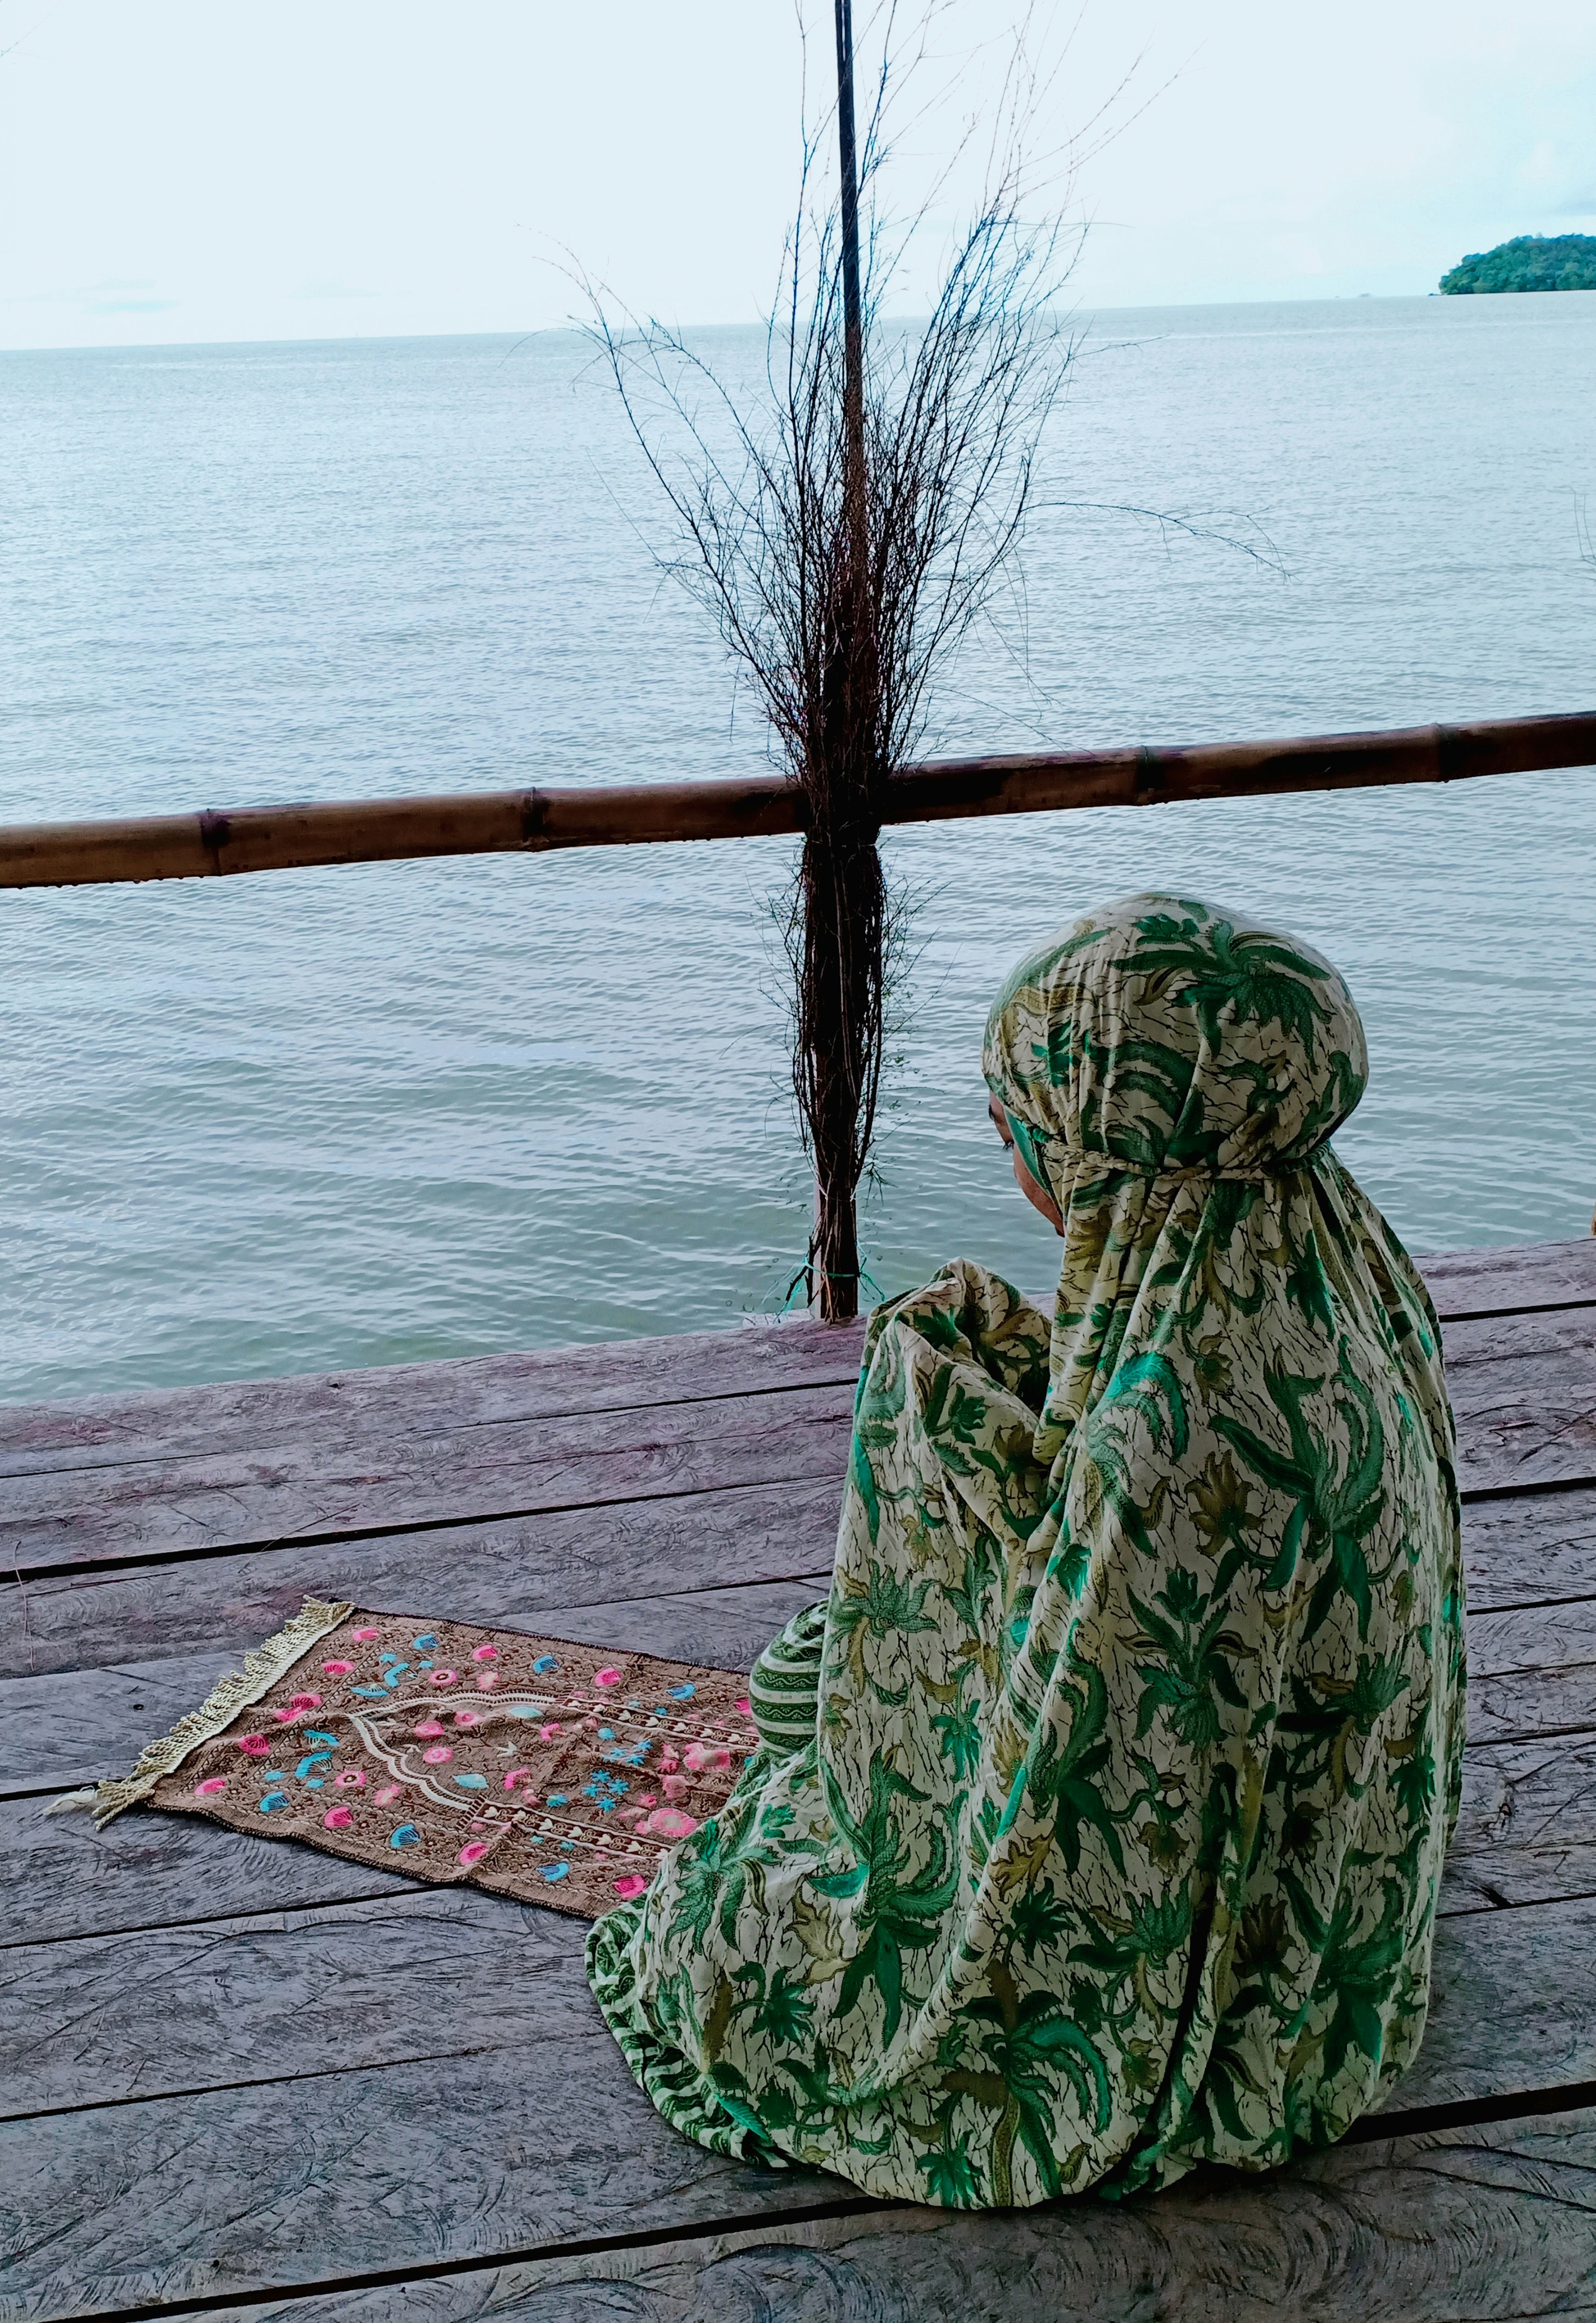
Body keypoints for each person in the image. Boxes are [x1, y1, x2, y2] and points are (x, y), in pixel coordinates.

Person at [586, 892, 1464, 2207]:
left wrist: (923, 1479)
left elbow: (1094, 1775)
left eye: (1021, 1134)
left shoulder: (1174, 1424)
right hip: (1324, 1868)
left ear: (1115, 1145)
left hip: (1209, 1952)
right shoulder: (1338, 1265)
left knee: (750, 1937)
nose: (1017, 1162)